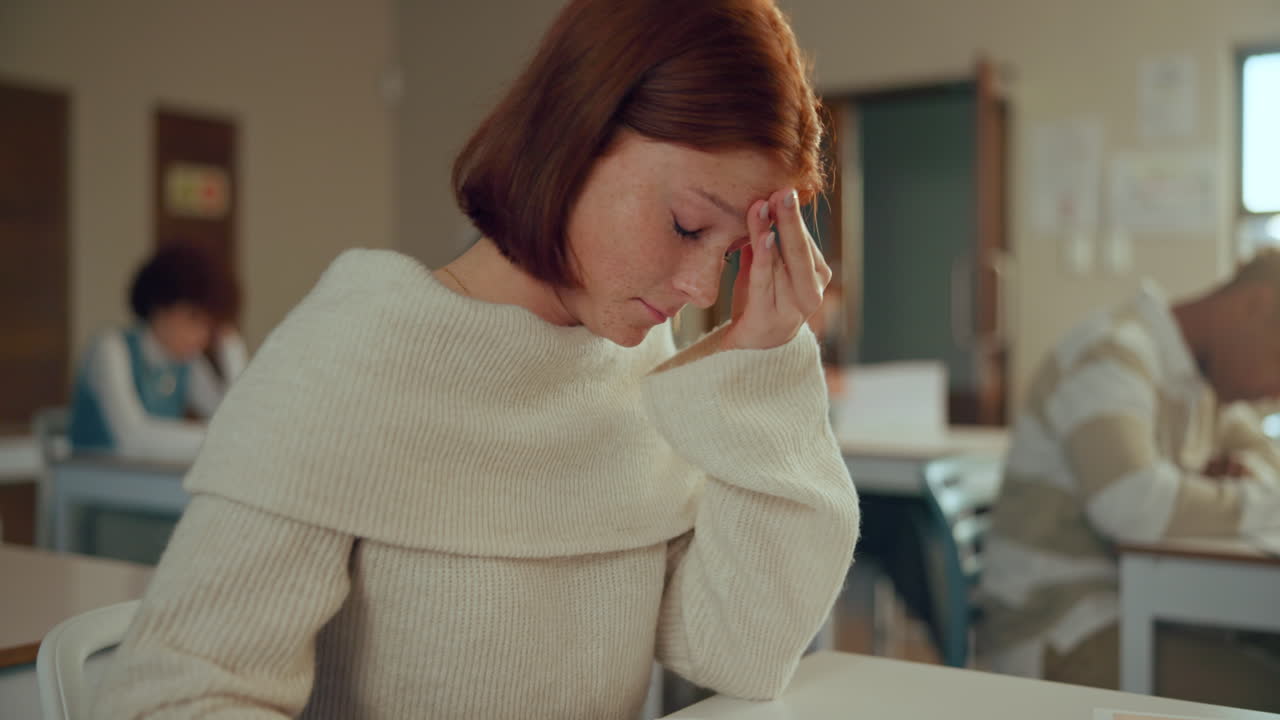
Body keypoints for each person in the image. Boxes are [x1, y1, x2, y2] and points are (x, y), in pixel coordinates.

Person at [94, 1, 861, 718]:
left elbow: (739, 654)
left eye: (731, 253)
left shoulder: (640, 371)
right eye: (687, 225)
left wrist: (765, 369)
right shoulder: (353, 354)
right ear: (573, 136)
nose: (701, 288)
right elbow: (174, 695)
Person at [979, 251, 1280, 711]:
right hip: (1059, 626)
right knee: (1267, 691)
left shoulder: (1198, 384)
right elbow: (1133, 503)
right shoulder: (1112, 353)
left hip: (1134, 603)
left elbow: (1267, 460)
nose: (1275, 393)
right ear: (1255, 307)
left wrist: (1237, 482)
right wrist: (1256, 500)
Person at [68, 242, 246, 464]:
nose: (202, 335)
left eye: (209, 326)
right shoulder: (110, 349)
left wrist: (232, 348)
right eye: (193, 318)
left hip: (147, 481)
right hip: (93, 481)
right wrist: (221, 438)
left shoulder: (187, 360)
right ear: (161, 305)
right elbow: (132, 439)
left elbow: (234, 418)